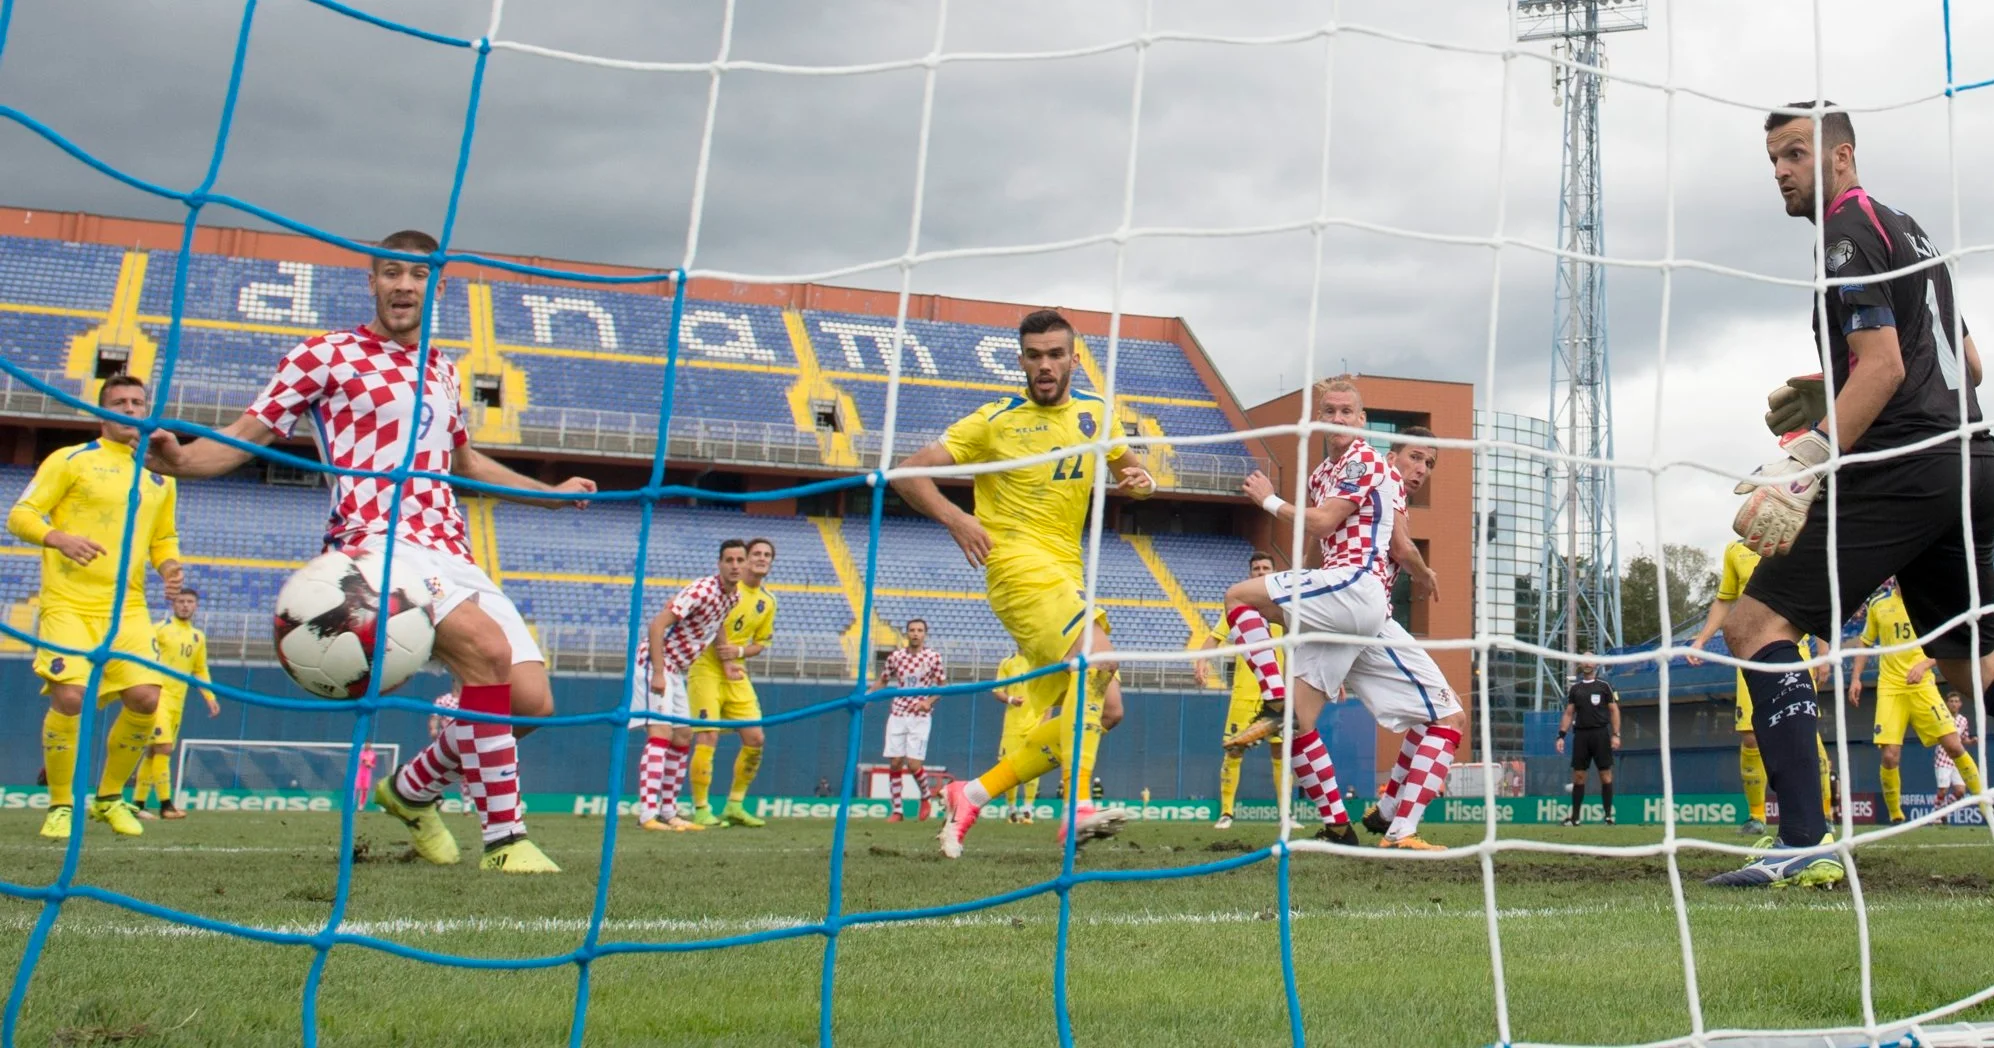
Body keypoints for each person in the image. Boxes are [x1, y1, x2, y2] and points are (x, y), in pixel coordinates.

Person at [147, 229, 595, 875]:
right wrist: (183, 461)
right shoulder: (324, 354)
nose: (403, 285)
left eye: (416, 275)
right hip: (374, 544)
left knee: (530, 703)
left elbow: (462, 459)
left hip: (450, 547)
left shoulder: (442, 367)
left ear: (434, 285)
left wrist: (545, 495)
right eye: (391, 273)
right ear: (373, 283)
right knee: (489, 654)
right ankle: (505, 843)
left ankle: (410, 793)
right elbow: (248, 434)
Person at [1711, 102, 1991, 888]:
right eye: (1773, 159)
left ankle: (1803, 841)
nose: (1780, 172)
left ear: (1840, 156)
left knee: (1755, 626)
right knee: (1977, 670)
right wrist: (1828, 387)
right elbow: (1965, 365)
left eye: (1795, 154)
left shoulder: (1844, 235)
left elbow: (1889, 370)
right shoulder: (1910, 230)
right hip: (1970, 461)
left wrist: (1805, 459)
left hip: (1902, 469)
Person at [892, 309, 1156, 858]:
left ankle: (970, 793)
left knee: (1107, 711)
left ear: (1073, 360)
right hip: (1014, 566)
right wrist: (958, 518)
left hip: (1066, 573)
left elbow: (1132, 473)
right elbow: (908, 471)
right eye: (1034, 355)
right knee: (1097, 658)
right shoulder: (995, 420)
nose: (1044, 365)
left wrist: (1142, 482)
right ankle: (1078, 806)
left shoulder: (1095, 414)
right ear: (1021, 362)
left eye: (1055, 354)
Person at [1214, 377, 1400, 845]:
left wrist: (1268, 500)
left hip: (1358, 588)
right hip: (1338, 593)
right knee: (1301, 725)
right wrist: (1297, 584)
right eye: (1329, 411)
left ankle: (1272, 700)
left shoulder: (1365, 459)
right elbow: (1322, 543)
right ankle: (1338, 826)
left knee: (1238, 596)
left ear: (1361, 421)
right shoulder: (1322, 474)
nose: (1337, 419)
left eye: (1346, 412)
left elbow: (1322, 521)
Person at [8, 374, 183, 840]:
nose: (130, 409)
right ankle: (62, 805)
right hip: (68, 605)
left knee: (146, 697)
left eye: (138, 402)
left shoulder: (159, 476)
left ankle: (109, 799)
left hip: (128, 609)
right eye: (120, 402)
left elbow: (163, 537)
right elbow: (21, 515)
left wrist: (169, 568)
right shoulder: (69, 460)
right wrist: (58, 537)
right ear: (102, 413)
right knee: (70, 697)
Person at [1687, 540, 1834, 836]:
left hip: (1792, 653)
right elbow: (1726, 600)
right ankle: (1756, 816)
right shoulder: (1734, 551)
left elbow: (1814, 597)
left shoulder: (1792, 543)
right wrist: (1701, 639)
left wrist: (1824, 653)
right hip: (1750, 655)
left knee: (1803, 731)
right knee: (1751, 736)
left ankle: (1824, 813)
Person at [632, 540, 746, 831]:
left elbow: (716, 624)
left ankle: (669, 811)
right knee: (660, 733)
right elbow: (657, 625)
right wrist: (658, 671)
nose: (735, 565)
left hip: (678, 669)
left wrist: (727, 662)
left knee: (683, 735)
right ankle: (647, 814)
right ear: (719, 563)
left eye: (739, 560)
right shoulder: (701, 590)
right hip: (656, 663)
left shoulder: (733, 598)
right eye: (729, 560)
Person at [1847, 579, 1983, 824]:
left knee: (1953, 745)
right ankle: (1896, 815)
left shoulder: (1926, 600)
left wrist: (1925, 664)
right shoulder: (1879, 604)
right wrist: (1856, 678)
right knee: (1889, 755)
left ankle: (1984, 803)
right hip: (1890, 688)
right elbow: (1865, 643)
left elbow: (1946, 641)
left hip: (1922, 686)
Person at [685, 536, 777, 828]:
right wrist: (726, 661)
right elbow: (715, 625)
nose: (762, 558)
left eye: (767, 555)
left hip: (735, 671)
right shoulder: (727, 590)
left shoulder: (768, 601)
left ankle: (734, 805)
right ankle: (701, 808)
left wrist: (737, 653)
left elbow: (760, 643)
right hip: (706, 668)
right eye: (757, 554)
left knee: (755, 738)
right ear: (745, 559)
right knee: (707, 735)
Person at [1193, 551, 1286, 831]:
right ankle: (1227, 812)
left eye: (1265, 567)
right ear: (1250, 575)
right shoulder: (1240, 607)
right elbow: (1215, 637)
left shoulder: (1287, 607)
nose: (1260, 572)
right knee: (1234, 750)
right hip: (1245, 694)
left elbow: (1308, 646)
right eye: (1256, 568)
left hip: (1279, 694)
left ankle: (1285, 815)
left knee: (1281, 752)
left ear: (1273, 572)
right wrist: (1201, 659)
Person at [135, 587, 218, 820]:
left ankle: (138, 804)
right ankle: (166, 805)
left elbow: (200, 669)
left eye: (189, 601)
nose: (185, 605)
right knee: (164, 748)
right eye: (181, 601)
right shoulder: (159, 630)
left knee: (154, 752)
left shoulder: (198, 637)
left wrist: (210, 697)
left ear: (196, 606)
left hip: (177, 702)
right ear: (173, 603)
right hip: (156, 697)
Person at [878, 618, 947, 821]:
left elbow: (943, 686)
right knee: (896, 761)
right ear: (906, 633)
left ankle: (925, 796)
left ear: (925, 634)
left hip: (920, 715)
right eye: (912, 630)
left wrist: (929, 701)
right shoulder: (896, 657)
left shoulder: (933, 657)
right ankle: (897, 810)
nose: (915, 633)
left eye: (919, 630)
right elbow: (883, 680)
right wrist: (865, 696)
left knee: (914, 764)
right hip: (898, 713)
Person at [1554, 658, 1619, 826]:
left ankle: (1608, 817)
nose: (1588, 664)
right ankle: (1575, 818)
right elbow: (1569, 713)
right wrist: (1561, 735)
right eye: (1585, 661)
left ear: (1596, 665)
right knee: (1579, 776)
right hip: (1581, 735)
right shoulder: (1575, 689)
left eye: (1591, 661)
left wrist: (1616, 734)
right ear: (1581, 665)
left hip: (1600, 734)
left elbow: (1614, 710)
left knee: (1605, 775)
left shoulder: (1605, 686)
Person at [991, 650, 1046, 823]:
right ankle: (1012, 810)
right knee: (1009, 766)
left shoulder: (1042, 661)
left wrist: (1046, 720)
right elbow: (997, 690)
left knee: (1034, 766)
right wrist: (1011, 700)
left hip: (1035, 722)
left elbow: (1050, 696)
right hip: (1013, 725)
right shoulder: (1008, 662)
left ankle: (1028, 810)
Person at [1933, 691, 1975, 816]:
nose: (1954, 704)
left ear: (1960, 704)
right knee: (1942, 790)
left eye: (1956, 701)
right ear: (1946, 703)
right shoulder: (1942, 717)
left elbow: (1964, 738)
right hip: (1943, 756)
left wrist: (1971, 741)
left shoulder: (1963, 720)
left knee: (1960, 791)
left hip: (1957, 758)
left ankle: (1942, 810)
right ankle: (1938, 815)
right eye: (1951, 701)